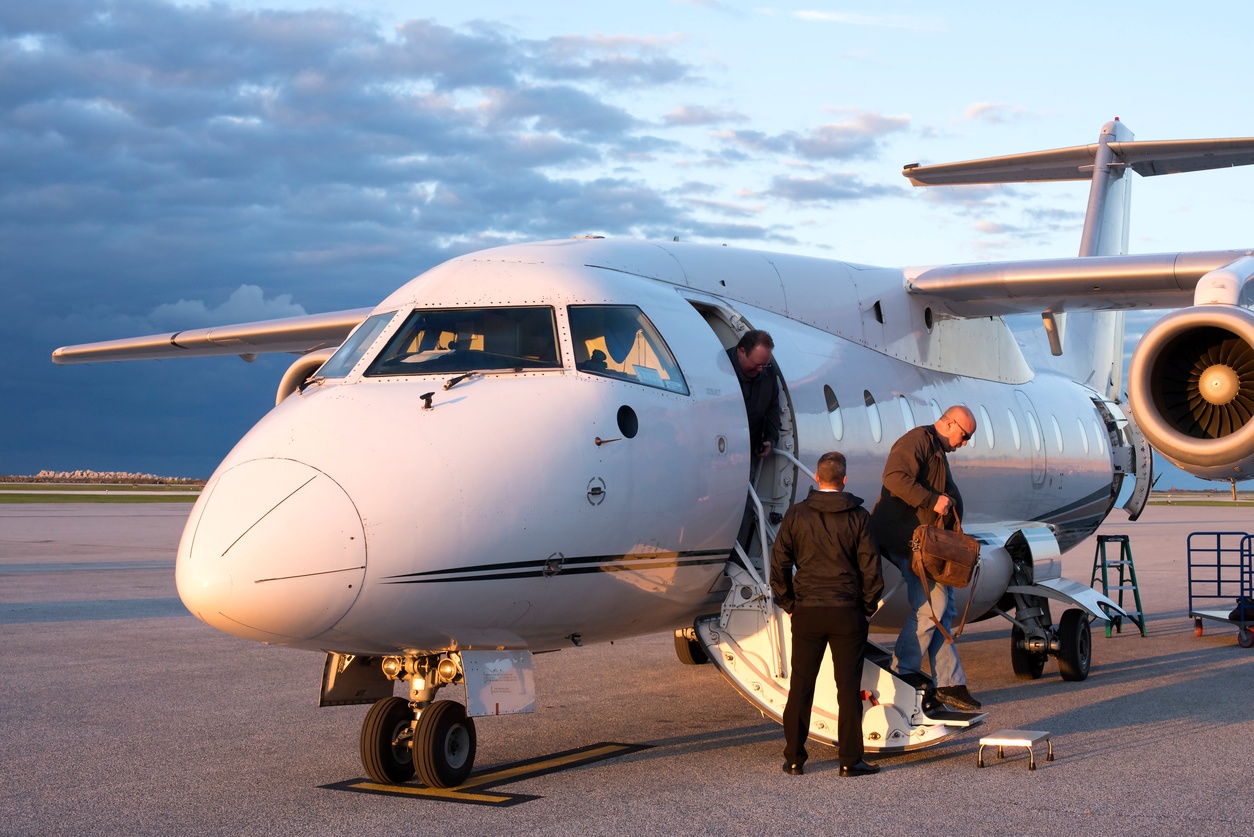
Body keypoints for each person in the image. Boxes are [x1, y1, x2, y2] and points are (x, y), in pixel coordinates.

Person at [770, 451, 885, 777]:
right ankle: (850, 761)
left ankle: (793, 759)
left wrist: (790, 604)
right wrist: (865, 607)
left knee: (801, 686)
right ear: (844, 479)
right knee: (847, 689)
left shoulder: (796, 515)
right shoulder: (858, 516)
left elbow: (778, 566)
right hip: (847, 611)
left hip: (807, 611)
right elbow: (871, 570)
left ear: (816, 479)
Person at [870, 405, 982, 712]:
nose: (965, 442)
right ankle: (903, 670)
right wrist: (933, 500)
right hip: (904, 540)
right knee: (933, 606)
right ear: (949, 424)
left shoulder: (935, 448)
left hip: (921, 542)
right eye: (965, 435)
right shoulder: (917, 440)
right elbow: (893, 478)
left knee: (942, 610)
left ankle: (949, 684)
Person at [726, 330, 779, 459]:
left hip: (749, 456)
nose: (761, 370)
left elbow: (773, 407)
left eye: (764, 365)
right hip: (723, 453)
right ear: (741, 352)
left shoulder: (768, 372)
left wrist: (770, 439)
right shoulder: (721, 369)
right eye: (757, 365)